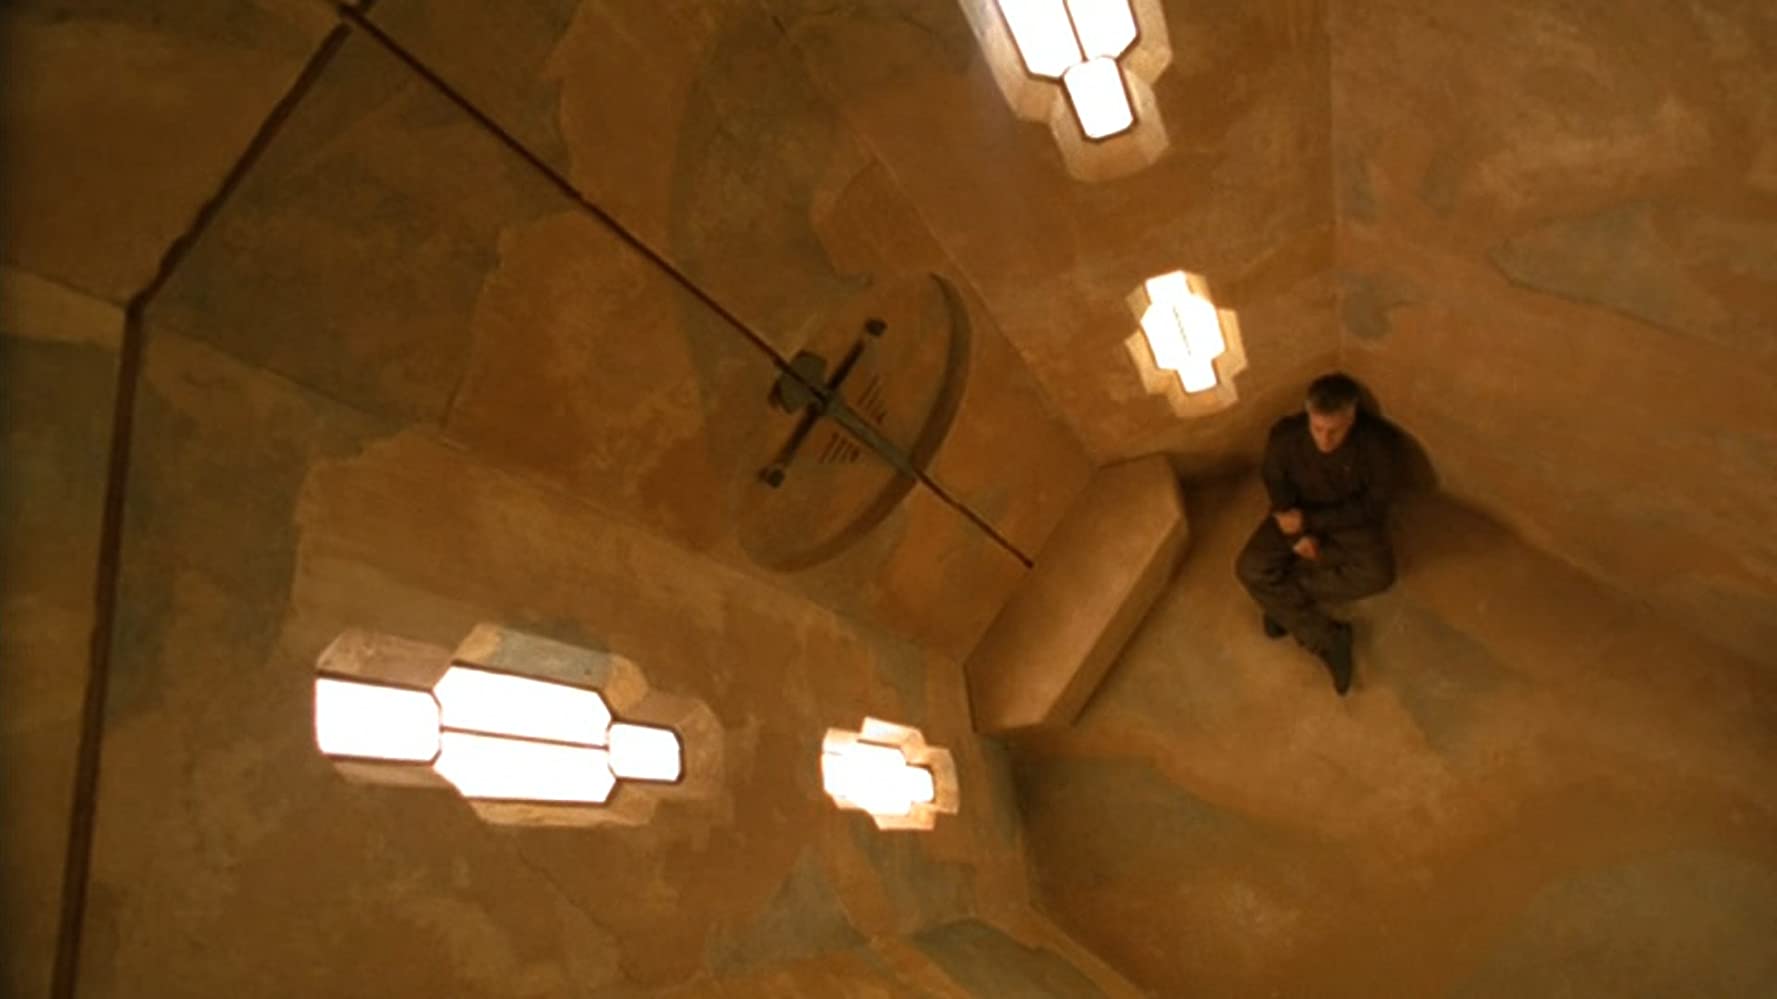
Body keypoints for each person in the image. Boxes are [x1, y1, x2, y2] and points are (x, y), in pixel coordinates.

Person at [1235, 373, 1396, 695]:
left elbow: (1374, 506)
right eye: (1318, 428)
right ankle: (1328, 639)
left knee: (1379, 575)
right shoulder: (1286, 437)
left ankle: (1280, 604)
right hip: (1297, 516)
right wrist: (1296, 536)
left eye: (1335, 430)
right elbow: (1276, 483)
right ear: (1308, 415)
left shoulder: (1375, 446)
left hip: (1348, 521)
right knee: (1249, 567)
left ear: (1351, 418)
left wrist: (1313, 522)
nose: (1325, 440)